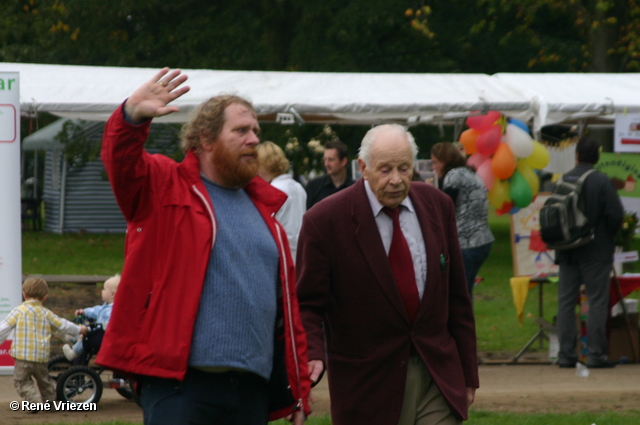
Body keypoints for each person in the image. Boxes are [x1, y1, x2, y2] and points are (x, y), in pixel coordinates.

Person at [95, 68, 310, 425]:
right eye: (241, 130)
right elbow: (121, 163)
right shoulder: (164, 186)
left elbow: (287, 311)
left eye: (256, 130)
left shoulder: (266, 210)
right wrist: (131, 116)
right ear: (206, 139)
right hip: (181, 388)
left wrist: (298, 388)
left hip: (249, 392)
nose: (254, 139)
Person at [297, 124, 478, 425]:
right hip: (368, 384)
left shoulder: (438, 206)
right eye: (385, 170)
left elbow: (458, 296)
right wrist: (313, 353)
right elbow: (306, 304)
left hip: (436, 371)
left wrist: (468, 373)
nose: (396, 180)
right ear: (362, 168)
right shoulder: (324, 221)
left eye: (404, 168)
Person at [555, 137, 623, 369]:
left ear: (576, 155)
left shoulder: (563, 179)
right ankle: (595, 355)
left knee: (565, 302)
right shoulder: (602, 181)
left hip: (566, 249)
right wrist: (607, 237)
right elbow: (615, 215)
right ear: (597, 157)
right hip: (596, 249)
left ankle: (565, 355)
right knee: (596, 301)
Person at [0, 277, 87, 408]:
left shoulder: (18, 311)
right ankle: (51, 403)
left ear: (24, 293)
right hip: (41, 358)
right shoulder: (46, 313)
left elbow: (3, 329)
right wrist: (80, 329)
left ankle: (34, 401)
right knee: (44, 381)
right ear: (45, 297)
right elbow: (63, 326)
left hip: (22, 358)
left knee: (21, 381)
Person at [430, 142, 494, 300]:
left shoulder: (454, 175)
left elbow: (445, 207)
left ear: (444, 161)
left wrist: (429, 194)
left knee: (460, 294)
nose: (433, 167)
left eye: (435, 162)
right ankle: (465, 323)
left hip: (467, 242)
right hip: (482, 240)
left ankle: (461, 324)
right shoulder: (469, 172)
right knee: (466, 290)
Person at [256, 141, 307, 262]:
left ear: (263, 165)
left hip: (281, 255)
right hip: (300, 254)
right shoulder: (299, 187)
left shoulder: (272, 191)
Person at [62, 274, 120, 361]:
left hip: (101, 337)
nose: (102, 291)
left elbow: (108, 325)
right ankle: (73, 336)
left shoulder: (112, 310)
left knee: (87, 335)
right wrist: (84, 312)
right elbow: (95, 310)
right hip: (97, 332)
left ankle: (74, 352)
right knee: (86, 327)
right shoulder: (106, 306)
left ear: (112, 294)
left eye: (104, 289)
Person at [305, 139, 355, 209]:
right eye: (325, 159)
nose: (326, 164)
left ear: (344, 161)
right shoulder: (314, 187)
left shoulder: (355, 189)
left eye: (331, 160)